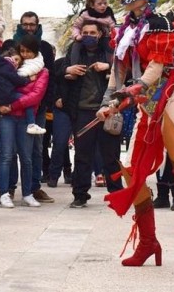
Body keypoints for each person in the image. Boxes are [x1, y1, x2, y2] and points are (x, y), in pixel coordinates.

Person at [96, 0, 174, 267]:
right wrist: (110, 99)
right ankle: (148, 242)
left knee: (170, 132)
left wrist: (136, 86)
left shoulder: (160, 24)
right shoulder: (124, 29)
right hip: (144, 104)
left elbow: (157, 65)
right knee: (133, 172)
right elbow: (118, 70)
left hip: (169, 94)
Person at [62, 20, 118, 208]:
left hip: (107, 110)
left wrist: (108, 67)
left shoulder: (110, 51)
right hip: (83, 111)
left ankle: (117, 193)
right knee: (82, 155)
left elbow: (124, 72)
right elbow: (58, 70)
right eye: (85, 32)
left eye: (92, 32)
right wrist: (68, 70)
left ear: (100, 34)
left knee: (111, 155)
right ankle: (80, 194)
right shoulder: (75, 51)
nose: (88, 36)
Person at [2, 12, 56, 204]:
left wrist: (45, 103)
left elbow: (49, 77)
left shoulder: (45, 49)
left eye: (32, 24)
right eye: (25, 24)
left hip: (37, 107)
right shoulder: (10, 45)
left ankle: (33, 187)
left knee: (35, 150)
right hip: (13, 107)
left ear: (37, 25)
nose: (29, 27)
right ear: (20, 25)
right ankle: (8, 188)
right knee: (9, 151)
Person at [0, 36, 50, 209]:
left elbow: (36, 96)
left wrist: (12, 104)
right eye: (22, 51)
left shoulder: (42, 72)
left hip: (24, 116)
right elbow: (1, 87)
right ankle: (4, 193)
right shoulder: (11, 67)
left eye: (28, 51)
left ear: (35, 52)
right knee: (6, 156)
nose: (25, 55)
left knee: (26, 157)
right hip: (8, 117)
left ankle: (28, 193)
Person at [44, 56, 73, 188]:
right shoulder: (59, 64)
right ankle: (53, 175)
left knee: (84, 146)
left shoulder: (87, 62)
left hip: (82, 107)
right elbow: (52, 83)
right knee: (59, 142)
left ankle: (75, 175)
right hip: (62, 108)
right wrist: (56, 98)